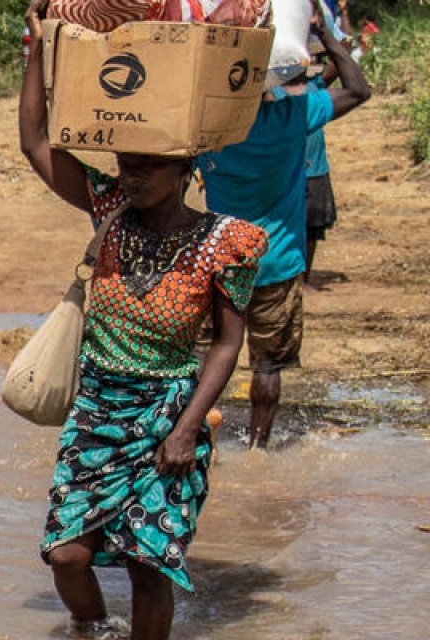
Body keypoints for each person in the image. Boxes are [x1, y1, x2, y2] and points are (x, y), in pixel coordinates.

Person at [21, 3, 268, 638]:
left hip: (170, 414)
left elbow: (227, 345)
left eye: (149, 166)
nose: (133, 176)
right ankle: (92, 630)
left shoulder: (225, 242)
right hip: (98, 410)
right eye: (127, 163)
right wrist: (38, 47)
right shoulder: (107, 210)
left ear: (187, 168)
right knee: (66, 555)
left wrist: (187, 430)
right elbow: (35, 143)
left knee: (147, 564)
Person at [196, 18, 368, 450]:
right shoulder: (293, 116)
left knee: (206, 356)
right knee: (267, 366)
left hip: (219, 261)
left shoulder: (211, 124)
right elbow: (358, 90)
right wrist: (327, 36)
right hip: (279, 262)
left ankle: (199, 436)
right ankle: (258, 448)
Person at [302, 58, 341, 292]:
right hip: (287, 169)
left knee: (313, 226)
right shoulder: (271, 89)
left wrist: (327, 36)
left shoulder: (314, 86)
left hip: (315, 169)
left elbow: (338, 68)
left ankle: (304, 278)